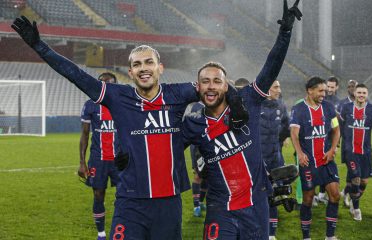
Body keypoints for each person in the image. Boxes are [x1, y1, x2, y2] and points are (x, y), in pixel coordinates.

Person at [11, 16, 248, 240]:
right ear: (131, 72)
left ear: (160, 68)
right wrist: (40, 47)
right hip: (129, 202)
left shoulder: (179, 92)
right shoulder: (117, 96)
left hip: (168, 202)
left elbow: (215, 85)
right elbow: (77, 76)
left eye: (149, 62)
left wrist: (236, 103)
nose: (143, 68)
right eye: (137, 64)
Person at [182, 1, 301, 238]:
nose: (211, 86)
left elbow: (270, 69)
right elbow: (163, 143)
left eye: (217, 81)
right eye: (205, 81)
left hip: (255, 205)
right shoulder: (193, 124)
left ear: (226, 86)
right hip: (220, 209)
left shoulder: (248, 102)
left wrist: (285, 33)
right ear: (198, 88)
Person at [290, 77, 341, 240]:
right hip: (309, 162)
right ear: (309, 90)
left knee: (335, 195)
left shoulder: (329, 107)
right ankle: (306, 237)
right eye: (320, 91)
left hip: (327, 160)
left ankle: (330, 236)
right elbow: (294, 134)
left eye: (325, 91)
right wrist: (300, 153)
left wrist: (332, 149)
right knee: (308, 199)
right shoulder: (298, 109)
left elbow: (336, 130)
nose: (323, 94)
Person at [78, 72, 120, 240]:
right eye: (102, 84)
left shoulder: (122, 104)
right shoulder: (90, 105)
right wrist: (82, 162)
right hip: (98, 158)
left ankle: (121, 227)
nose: (105, 87)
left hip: (120, 160)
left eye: (109, 84)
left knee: (124, 195)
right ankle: (101, 233)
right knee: (98, 195)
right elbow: (84, 135)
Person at [339, 83, 372, 221]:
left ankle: (348, 194)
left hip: (366, 152)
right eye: (359, 93)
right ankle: (356, 208)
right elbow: (340, 126)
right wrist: (336, 143)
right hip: (349, 150)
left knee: (364, 182)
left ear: (367, 95)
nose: (361, 95)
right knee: (356, 178)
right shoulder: (346, 108)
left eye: (364, 93)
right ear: (355, 94)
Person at [259, 80, 290, 240]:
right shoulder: (256, 105)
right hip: (257, 159)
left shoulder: (281, 106)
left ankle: (271, 234)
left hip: (275, 157)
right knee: (259, 196)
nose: (279, 90)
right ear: (267, 89)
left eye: (279, 86)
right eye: (276, 87)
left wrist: (279, 142)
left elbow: (287, 126)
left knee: (274, 194)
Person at [316, 76, 340, 205]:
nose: (329, 89)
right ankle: (314, 194)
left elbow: (337, 126)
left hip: (329, 141)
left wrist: (336, 145)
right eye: (328, 87)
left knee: (326, 164)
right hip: (317, 139)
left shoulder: (337, 103)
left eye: (332, 87)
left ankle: (321, 193)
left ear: (336, 87)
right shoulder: (320, 99)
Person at [337, 79, 358, 207]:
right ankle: (347, 194)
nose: (351, 88)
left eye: (353, 86)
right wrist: (338, 140)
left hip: (360, 144)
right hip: (347, 143)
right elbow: (339, 123)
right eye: (349, 86)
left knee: (355, 171)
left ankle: (345, 192)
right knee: (352, 170)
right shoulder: (343, 104)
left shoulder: (363, 103)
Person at [187, 102, 208, 217]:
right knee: (198, 175)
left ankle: (200, 201)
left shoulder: (213, 103)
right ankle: (196, 206)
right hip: (197, 147)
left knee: (207, 176)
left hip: (209, 144)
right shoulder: (197, 106)